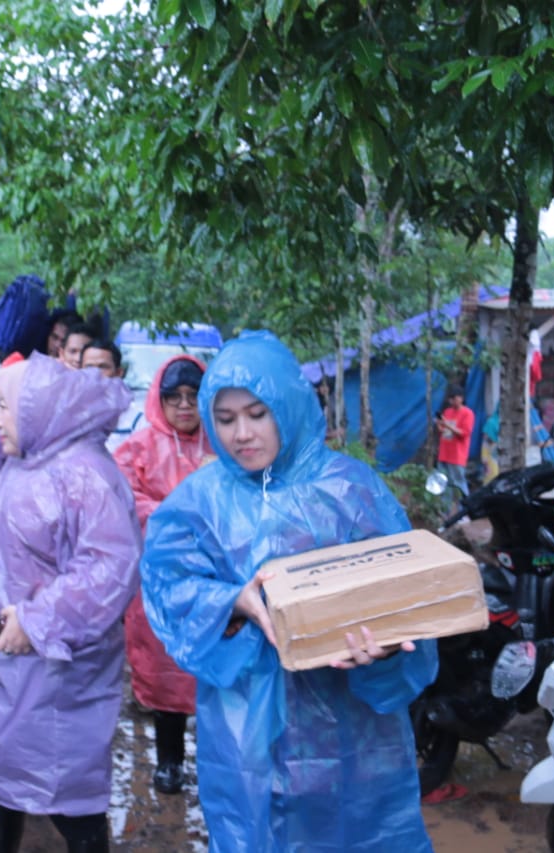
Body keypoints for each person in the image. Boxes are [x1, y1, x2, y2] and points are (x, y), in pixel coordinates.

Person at [141, 331, 438, 852]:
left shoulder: (351, 489)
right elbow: (168, 585)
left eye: (257, 413)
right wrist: (235, 602)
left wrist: (385, 646)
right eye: (226, 418)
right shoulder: (200, 502)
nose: (241, 434)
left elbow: (403, 591)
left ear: (287, 404)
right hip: (245, 729)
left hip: (350, 731)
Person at [0, 353, 140, 853]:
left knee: (71, 799)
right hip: (4, 652)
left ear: (39, 409)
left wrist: (39, 620)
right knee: (0, 785)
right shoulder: (23, 463)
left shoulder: (87, 474)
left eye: (6, 407)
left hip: (58, 666)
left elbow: (110, 569)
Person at [112, 356, 209, 794]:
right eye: (175, 398)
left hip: (213, 581)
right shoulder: (138, 447)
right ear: (160, 400)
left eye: (194, 397)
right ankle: (168, 762)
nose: (185, 406)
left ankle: (214, 763)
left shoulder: (224, 444)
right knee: (166, 671)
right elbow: (122, 496)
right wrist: (177, 516)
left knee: (213, 673)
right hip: (160, 582)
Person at [435, 385, 474, 511]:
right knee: (444, 482)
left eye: (455, 398)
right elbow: (443, 431)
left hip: (457, 455)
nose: (452, 401)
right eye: (451, 399)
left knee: (459, 482)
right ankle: (445, 510)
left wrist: (447, 425)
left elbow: (464, 433)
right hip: (444, 453)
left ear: (461, 398)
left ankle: (466, 509)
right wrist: (440, 426)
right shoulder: (447, 412)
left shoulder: (467, 413)